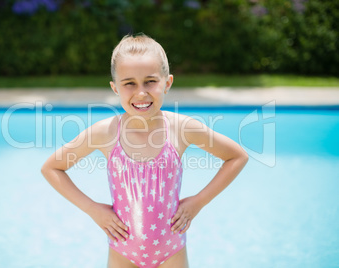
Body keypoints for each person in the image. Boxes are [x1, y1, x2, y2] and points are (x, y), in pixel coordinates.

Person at [41, 34, 249, 268]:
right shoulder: (106, 132)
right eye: (129, 83)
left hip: (171, 251)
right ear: (115, 88)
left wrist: (198, 202)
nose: (141, 93)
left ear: (167, 83)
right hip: (123, 252)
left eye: (150, 81)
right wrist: (92, 209)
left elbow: (237, 156)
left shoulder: (181, 128)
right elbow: (52, 168)